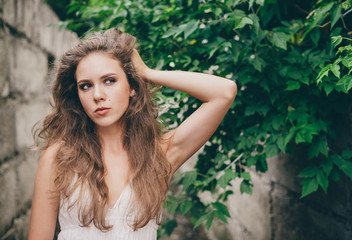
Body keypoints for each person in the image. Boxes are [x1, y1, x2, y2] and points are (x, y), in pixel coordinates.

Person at [28, 28, 237, 240]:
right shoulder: (59, 158)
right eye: (86, 86)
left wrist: (147, 73)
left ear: (132, 87)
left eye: (109, 80)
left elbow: (224, 92)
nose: (98, 95)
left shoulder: (160, 154)